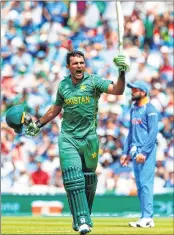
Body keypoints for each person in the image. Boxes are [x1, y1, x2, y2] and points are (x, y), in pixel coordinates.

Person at [24, 50, 130, 235]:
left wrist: (121, 72)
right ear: (68, 66)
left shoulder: (94, 81)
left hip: (89, 139)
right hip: (68, 138)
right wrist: (39, 123)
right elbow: (56, 108)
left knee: (88, 180)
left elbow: (118, 90)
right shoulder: (63, 85)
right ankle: (82, 220)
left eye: (81, 62)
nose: (79, 65)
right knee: (73, 178)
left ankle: (83, 218)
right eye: (75, 63)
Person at [120, 80, 159, 228]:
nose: (132, 92)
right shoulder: (133, 109)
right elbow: (131, 132)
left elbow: (153, 133)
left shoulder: (150, 109)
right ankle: (145, 217)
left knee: (145, 184)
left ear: (143, 92)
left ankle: (148, 217)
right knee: (140, 186)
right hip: (135, 151)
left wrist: (144, 152)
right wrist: (125, 152)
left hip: (145, 152)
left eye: (135, 90)